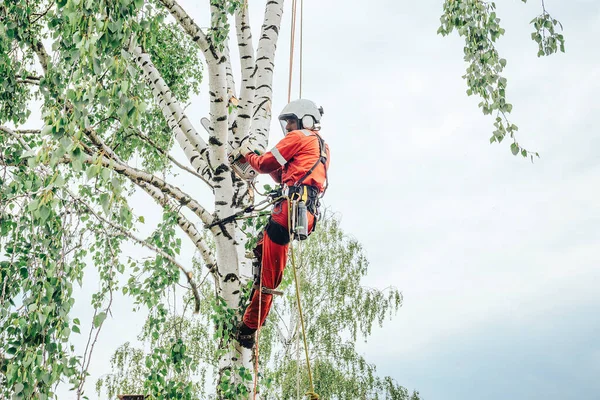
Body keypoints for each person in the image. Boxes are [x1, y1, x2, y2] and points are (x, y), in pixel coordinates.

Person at [234, 99, 330, 349]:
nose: (287, 127)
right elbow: (279, 172)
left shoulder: (300, 136)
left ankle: (248, 328)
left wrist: (248, 155)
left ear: (304, 120)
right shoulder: (322, 146)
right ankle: (256, 262)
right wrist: (263, 160)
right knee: (262, 247)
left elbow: (266, 164)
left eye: (290, 121)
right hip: (303, 214)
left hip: (288, 211)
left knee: (270, 280)